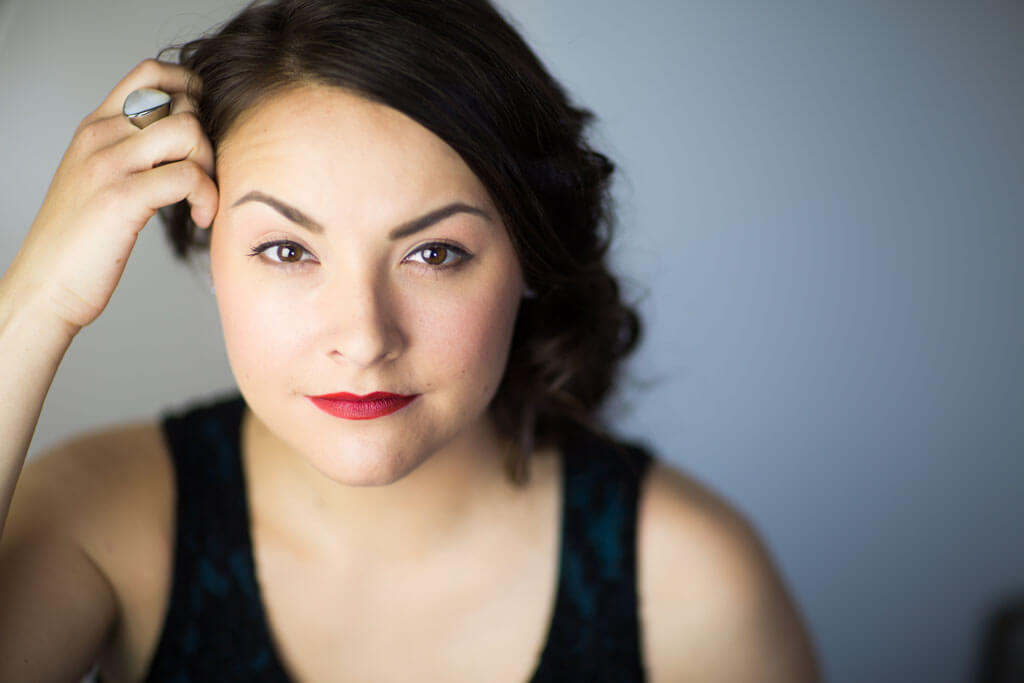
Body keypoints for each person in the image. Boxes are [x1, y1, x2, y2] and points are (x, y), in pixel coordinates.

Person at [0, 0, 820, 680]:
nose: (363, 338)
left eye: (435, 253)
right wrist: (36, 301)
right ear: (211, 252)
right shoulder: (100, 519)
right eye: (287, 250)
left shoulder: (693, 582)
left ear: (529, 257)